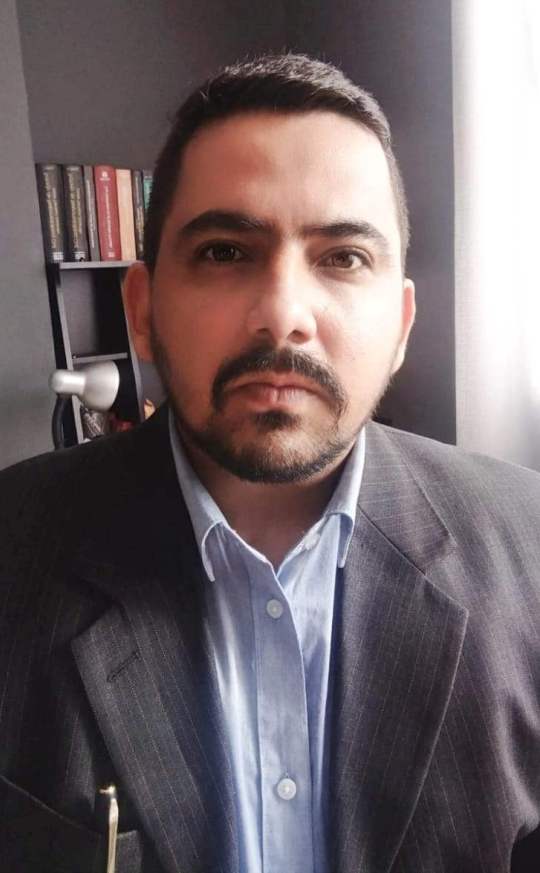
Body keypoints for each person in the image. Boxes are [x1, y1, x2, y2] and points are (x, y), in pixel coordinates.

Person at [1, 53, 540, 873]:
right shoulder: (13, 553)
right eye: (225, 252)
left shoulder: (529, 550)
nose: (284, 314)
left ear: (400, 326)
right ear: (142, 310)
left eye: (343, 257)